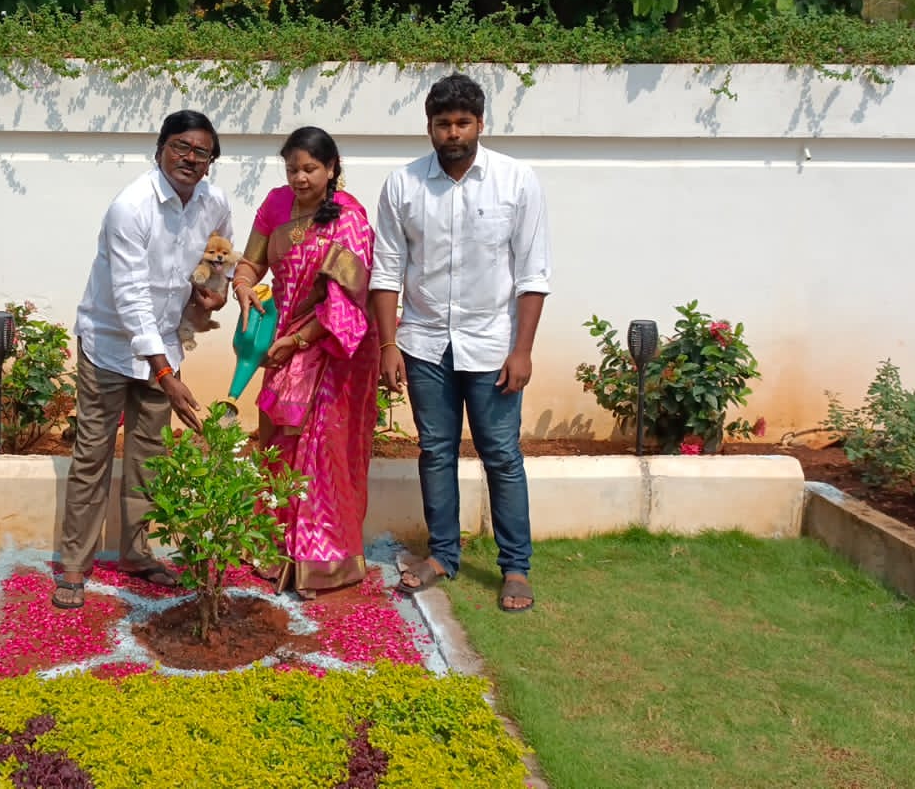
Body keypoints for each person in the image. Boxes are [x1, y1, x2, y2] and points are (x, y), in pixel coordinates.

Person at [370, 73, 552, 614]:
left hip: (493, 344)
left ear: (480, 124)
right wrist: (388, 344)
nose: (453, 133)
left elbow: (533, 273)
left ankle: (515, 566)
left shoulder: (516, 182)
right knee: (436, 452)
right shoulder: (402, 185)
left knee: (501, 454)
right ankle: (443, 555)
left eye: (462, 123)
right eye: (443, 123)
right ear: (429, 127)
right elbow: (386, 270)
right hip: (424, 342)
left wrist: (522, 350)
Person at [52, 110, 233, 610]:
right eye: (181, 147)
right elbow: (131, 299)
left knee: (149, 456)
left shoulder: (213, 202)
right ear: (160, 149)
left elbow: (219, 258)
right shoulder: (130, 208)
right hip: (110, 345)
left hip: (167, 346)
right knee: (92, 455)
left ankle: (136, 553)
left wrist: (212, 295)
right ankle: (73, 566)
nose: (190, 159)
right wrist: (167, 376)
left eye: (202, 153)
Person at [232, 126, 379, 599]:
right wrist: (242, 289)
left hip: (331, 355)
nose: (299, 178)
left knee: (322, 455)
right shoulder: (276, 204)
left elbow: (347, 307)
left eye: (310, 169)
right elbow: (251, 264)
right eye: (292, 168)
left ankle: (321, 561)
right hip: (280, 348)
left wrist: (297, 342)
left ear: (332, 168)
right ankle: (273, 550)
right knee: (277, 448)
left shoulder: (349, 218)